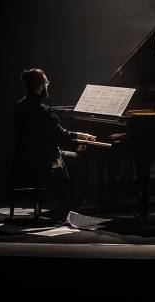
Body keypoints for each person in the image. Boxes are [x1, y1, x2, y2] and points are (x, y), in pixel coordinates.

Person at [12, 68, 96, 217]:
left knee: (68, 156)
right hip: (43, 160)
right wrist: (81, 135)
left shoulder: (19, 107)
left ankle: (67, 203)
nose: (47, 86)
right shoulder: (43, 110)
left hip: (22, 159)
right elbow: (61, 135)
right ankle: (72, 206)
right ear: (40, 86)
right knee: (80, 159)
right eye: (46, 83)